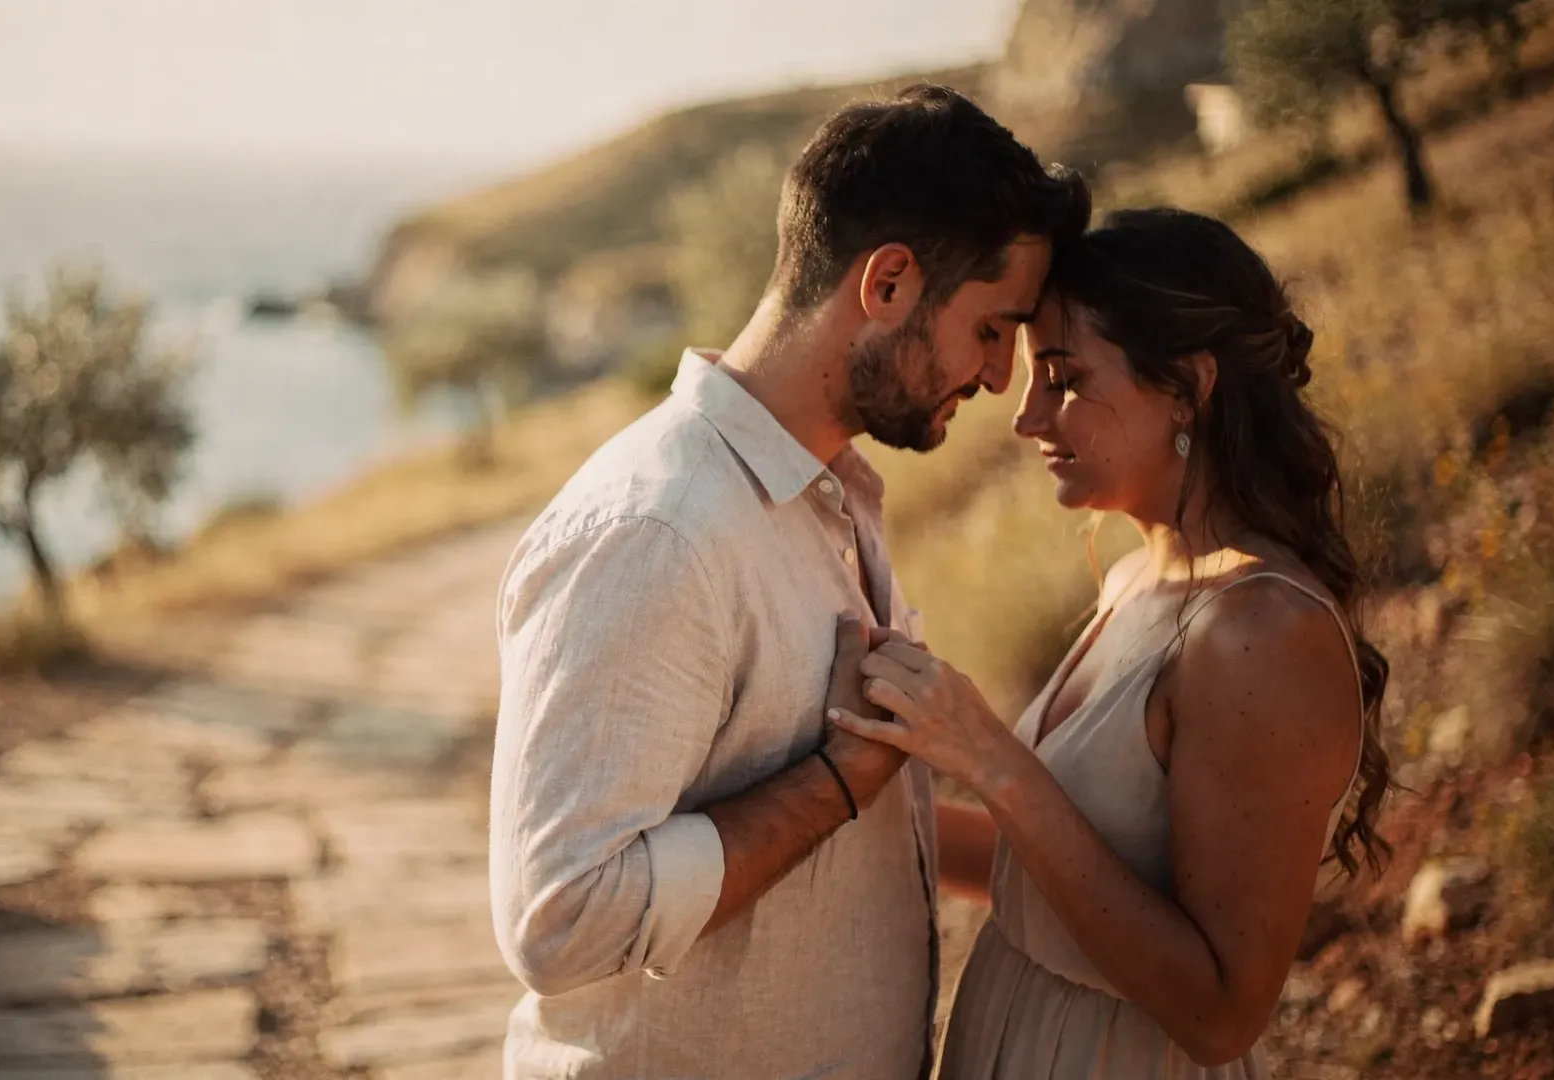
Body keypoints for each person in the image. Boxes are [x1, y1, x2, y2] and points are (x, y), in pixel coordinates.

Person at [487, 85, 1088, 1079]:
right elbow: (564, 919)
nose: (994, 379)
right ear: (888, 283)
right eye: (992, 330)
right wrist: (836, 784)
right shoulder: (657, 530)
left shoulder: (832, 496)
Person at [829, 207, 1393, 1078]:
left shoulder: (1262, 634)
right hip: (1015, 1035)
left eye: (1062, 378)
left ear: (1189, 387)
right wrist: (841, 807)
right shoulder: (1141, 578)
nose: (1026, 418)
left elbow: (1221, 1013)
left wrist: (994, 759)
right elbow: (1046, 874)